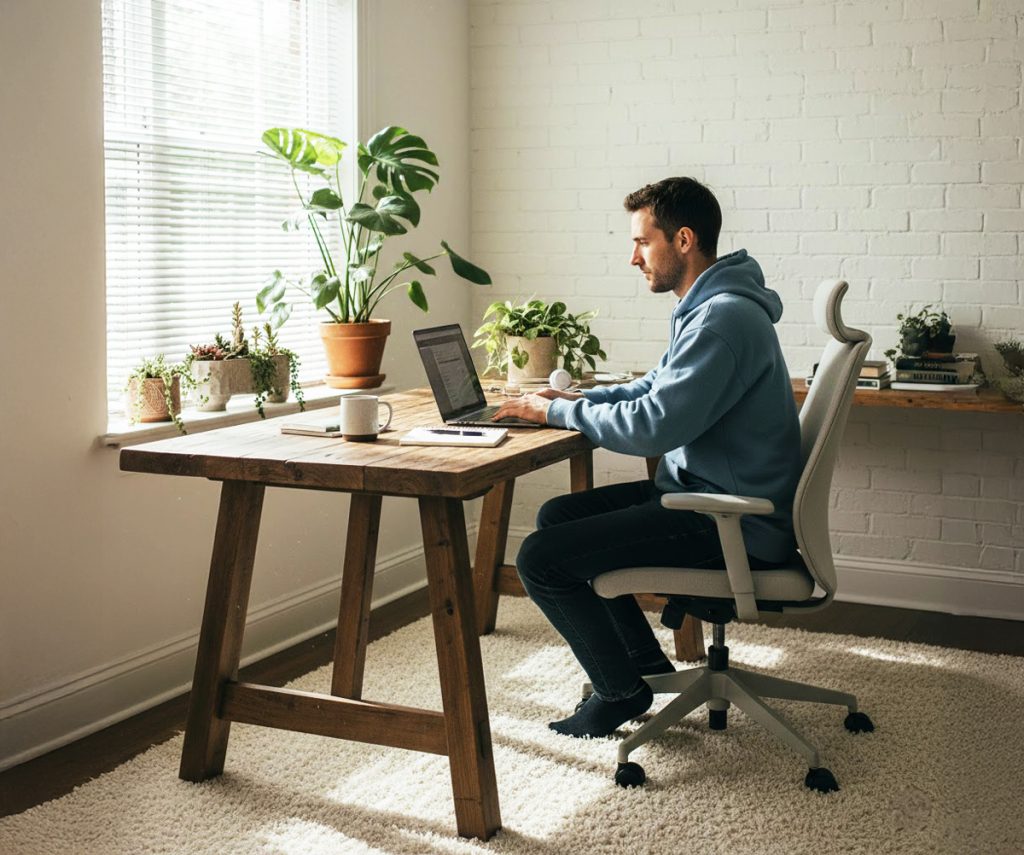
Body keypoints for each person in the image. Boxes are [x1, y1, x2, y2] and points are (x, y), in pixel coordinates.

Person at [491, 177, 802, 739]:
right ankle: (646, 668)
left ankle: (620, 691)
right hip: (709, 498)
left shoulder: (721, 319)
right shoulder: (709, 307)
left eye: (642, 242)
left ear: (683, 240)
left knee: (540, 559)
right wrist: (571, 400)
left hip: (728, 521)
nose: (633, 257)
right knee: (559, 518)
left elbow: (654, 425)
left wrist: (554, 416)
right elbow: (655, 388)